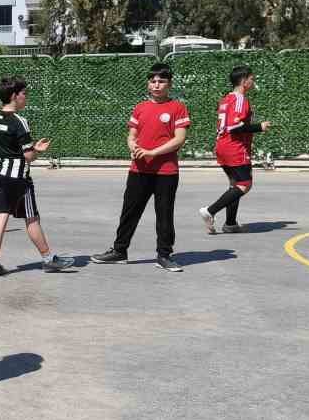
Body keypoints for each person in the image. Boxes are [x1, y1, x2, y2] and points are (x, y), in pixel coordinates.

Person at [92, 63, 191, 273]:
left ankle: (164, 255)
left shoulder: (177, 107)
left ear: (169, 84)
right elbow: (132, 135)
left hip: (166, 171)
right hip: (138, 170)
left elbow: (179, 139)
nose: (156, 85)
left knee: (164, 214)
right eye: (153, 81)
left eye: (161, 81)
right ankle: (119, 251)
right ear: (148, 84)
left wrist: (153, 153)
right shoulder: (140, 107)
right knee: (129, 211)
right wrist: (132, 145)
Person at [0, 76, 74, 276]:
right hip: (18, 178)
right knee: (31, 217)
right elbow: (28, 156)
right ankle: (48, 259)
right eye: (24, 93)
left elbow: (9, 149)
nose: (27, 97)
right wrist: (38, 150)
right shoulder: (19, 121)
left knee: (0, 217)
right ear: (14, 96)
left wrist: (31, 148)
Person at [199, 65, 272, 234]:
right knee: (245, 184)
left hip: (223, 146)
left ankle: (230, 223)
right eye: (252, 79)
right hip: (234, 148)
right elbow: (233, 127)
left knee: (235, 185)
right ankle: (209, 211)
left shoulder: (226, 99)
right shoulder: (240, 99)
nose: (253, 82)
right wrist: (259, 127)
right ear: (244, 81)